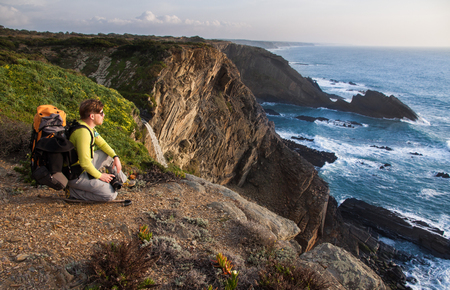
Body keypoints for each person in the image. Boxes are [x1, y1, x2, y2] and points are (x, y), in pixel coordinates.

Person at [67, 99, 128, 201]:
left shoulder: (88, 127)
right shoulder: (83, 133)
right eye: (101, 113)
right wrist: (100, 176)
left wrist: (115, 156)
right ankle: (73, 192)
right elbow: (85, 163)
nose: (103, 115)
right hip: (76, 174)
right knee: (110, 195)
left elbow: (102, 144)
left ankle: (122, 180)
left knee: (108, 155)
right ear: (92, 116)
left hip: (82, 167)